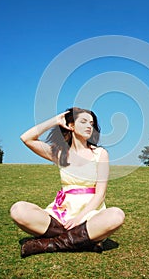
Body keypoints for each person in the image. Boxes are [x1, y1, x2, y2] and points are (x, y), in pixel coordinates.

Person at [10, 107, 125, 258]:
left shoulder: (100, 154)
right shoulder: (59, 153)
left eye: (91, 123)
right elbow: (27, 138)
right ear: (71, 126)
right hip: (60, 215)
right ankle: (81, 240)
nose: (89, 126)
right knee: (18, 210)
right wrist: (55, 120)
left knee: (116, 215)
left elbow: (100, 194)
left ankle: (50, 244)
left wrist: (79, 218)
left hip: (89, 215)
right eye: (83, 122)